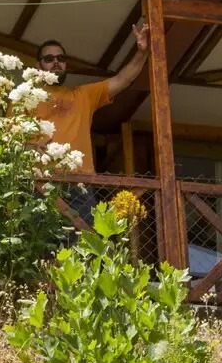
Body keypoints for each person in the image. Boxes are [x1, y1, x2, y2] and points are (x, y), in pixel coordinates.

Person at [34, 23, 150, 222]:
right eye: (49, 59)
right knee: (43, 241)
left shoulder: (83, 95)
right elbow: (13, 141)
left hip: (80, 183)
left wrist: (142, 51)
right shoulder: (25, 98)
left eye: (61, 58)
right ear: (39, 65)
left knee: (85, 239)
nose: (56, 62)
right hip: (42, 182)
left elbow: (123, 80)